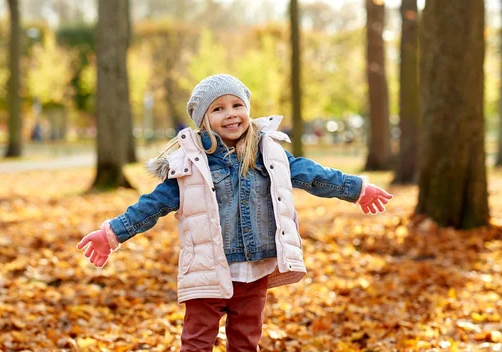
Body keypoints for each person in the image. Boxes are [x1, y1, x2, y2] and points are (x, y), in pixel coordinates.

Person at [77, 74, 393, 351]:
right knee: (197, 342)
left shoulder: (269, 154)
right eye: (218, 109)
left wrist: (357, 189)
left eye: (236, 105)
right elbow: (153, 204)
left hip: (255, 271)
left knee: (245, 342)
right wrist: (113, 233)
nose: (230, 114)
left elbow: (315, 175)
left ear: (247, 110)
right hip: (208, 270)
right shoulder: (190, 165)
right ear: (203, 120)